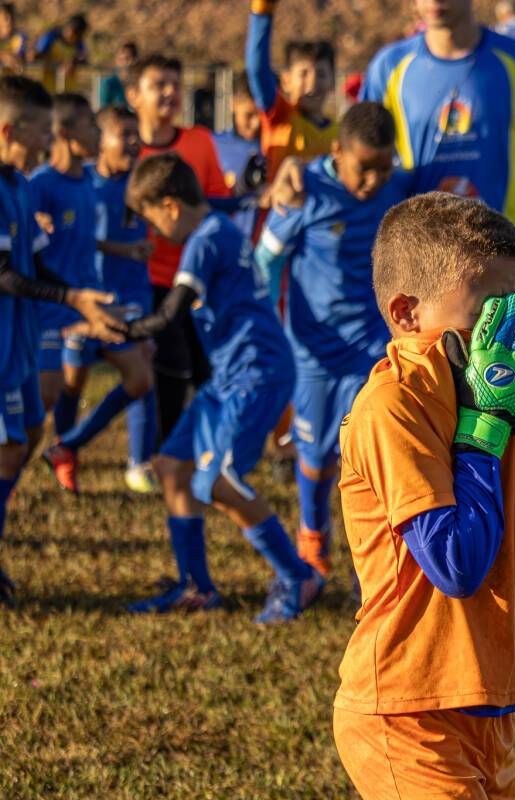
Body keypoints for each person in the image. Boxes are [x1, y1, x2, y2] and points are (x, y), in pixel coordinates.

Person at [330, 192, 515, 799]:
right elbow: (457, 565)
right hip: (403, 710)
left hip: (484, 707)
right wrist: (485, 430)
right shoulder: (393, 406)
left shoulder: (488, 391)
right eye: (486, 313)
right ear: (406, 313)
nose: (507, 332)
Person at [122, 153, 322, 621]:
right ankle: (198, 586)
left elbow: (171, 313)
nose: (152, 230)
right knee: (173, 466)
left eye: (150, 217)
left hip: (257, 373)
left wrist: (121, 330)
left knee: (216, 482)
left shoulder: (203, 241)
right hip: (230, 375)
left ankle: (299, 576)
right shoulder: (219, 226)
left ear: (169, 206)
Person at [253, 102, 412, 578]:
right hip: (315, 354)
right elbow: (265, 263)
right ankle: (313, 534)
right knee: (316, 455)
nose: (374, 182)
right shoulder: (306, 195)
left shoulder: (397, 187)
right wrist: (267, 329)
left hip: (372, 351)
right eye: (364, 169)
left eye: (384, 169)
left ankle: (378, 559)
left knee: (367, 456)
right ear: (337, 151)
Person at [331, 0, 515, 300]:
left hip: (507, 258)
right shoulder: (389, 66)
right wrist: (303, 173)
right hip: (421, 263)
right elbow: (355, 150)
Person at [0, 75, 125, 606]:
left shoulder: (19, 185)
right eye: (38, 130)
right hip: (2, 341)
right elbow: (5, 274)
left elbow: (32, 259)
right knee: (9, 447)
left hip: (22, 336)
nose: (47, 141)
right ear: (9, 128)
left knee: (28, 432)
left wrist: (76, 294)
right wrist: (71, 300)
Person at [42, 106, 157, 495]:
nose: (132, 141)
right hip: (77, 300)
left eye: (134, 134)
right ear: (100, 140)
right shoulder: (79, 181)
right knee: (69, 384)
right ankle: (63, 455)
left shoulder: (139, 181)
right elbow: (65, 235)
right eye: (122, 134)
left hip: (122, 298)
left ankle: (118, 457)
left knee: (141, 376)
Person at [126, 53, 229, 443]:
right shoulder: (125, 150)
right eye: (159, 85)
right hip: (146, 278)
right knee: (169, 369)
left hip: (198, 276)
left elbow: (218, 202)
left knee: (205, 369)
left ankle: (202, 449)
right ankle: (163, 450)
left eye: (175, 84)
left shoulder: (200, 141)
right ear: (134, 95)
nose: (170, 93)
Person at [29, 93, 101, 427]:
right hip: (52, 304)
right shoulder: (40, 184)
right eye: (91, 125)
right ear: (67, 135)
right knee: (48, 393)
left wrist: (124, 249)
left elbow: (86, 237)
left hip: (86, 295)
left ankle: (64, 447)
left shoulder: (89, 179)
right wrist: (34, 222)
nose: (98, 133)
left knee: (76, 384)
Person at [245, 0, 338, 181]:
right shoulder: (280, 116)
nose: (312, 83)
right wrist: (262, 11)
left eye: (321, 74)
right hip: (281, 209)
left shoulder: (341, 134)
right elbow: (257, 69)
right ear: (286, 80)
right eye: (303, 74)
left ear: (333, 80)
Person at [213, 72, 265, 240]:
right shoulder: (214, 146)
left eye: (261, 116)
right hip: (227, 248)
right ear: (233, 104)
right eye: (249, 115)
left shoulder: (276, 147)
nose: (256, 123)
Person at [33, 13, 88, 92]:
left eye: (79, 35)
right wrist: (58, 64)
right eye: (74, 32)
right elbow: (37, 54)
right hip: (49, 90)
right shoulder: (51, 37)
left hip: (69, 91)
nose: (74, 37)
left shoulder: (79, 43)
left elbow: (84, 57)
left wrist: (74, 61)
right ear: (68, 27)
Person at [97, 41, 137, 109]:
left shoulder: (140, 83)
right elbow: (104, 110)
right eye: (123, 59)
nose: (127, 63)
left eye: (130, 58)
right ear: (117, 60)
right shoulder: (108, 84)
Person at [0, 3, 28, 72]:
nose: (9, 21)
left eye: (12, 16)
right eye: (6, 17)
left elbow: (20, 56)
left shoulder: (20, 36)